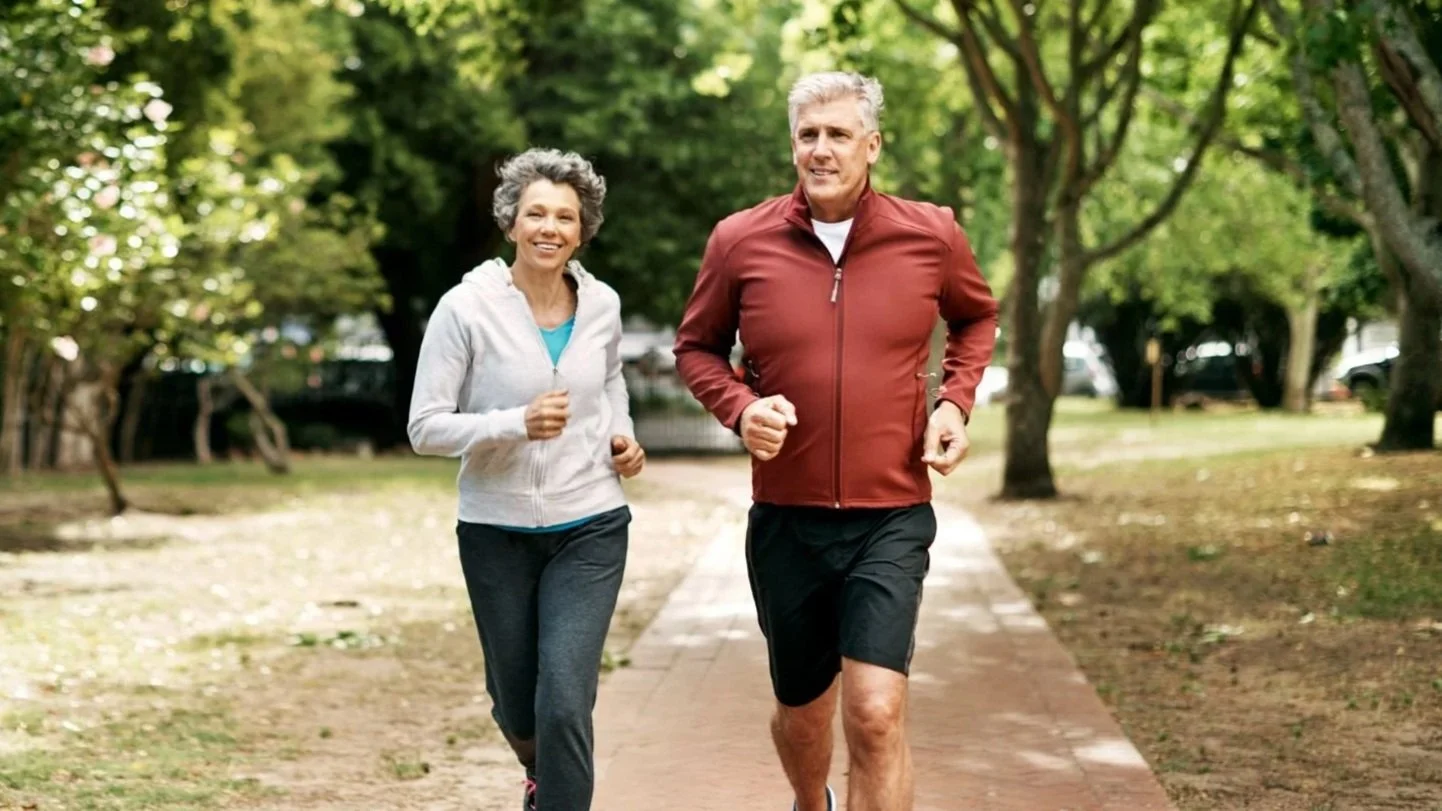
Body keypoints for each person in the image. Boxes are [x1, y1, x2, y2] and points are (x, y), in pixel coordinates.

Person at [673, 71, 998, 811]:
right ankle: (809, 801)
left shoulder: (931, 233)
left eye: (839, 134)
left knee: (876, 713)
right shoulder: (739, 239)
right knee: (802, 713)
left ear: (872, 145)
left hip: (890, 513)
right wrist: (740, 406)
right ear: (793, 144)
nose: (821, 149)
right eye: (808, 135)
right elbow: (696, 347)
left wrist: (954, 402)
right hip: (786, 518)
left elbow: (976, 317)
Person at [407, 147, 645, 811]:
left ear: (582, 228)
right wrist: (513, 423)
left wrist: (622, 438)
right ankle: (544, 779)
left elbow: (610, 380)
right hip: (494, 530)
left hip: (591, 524)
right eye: (535, 213)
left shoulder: (602, 305)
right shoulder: (466, 308)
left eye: (565, 217)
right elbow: (425, 427)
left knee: (565, 698)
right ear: (511, 221)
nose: (549, 227)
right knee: (517, 703)